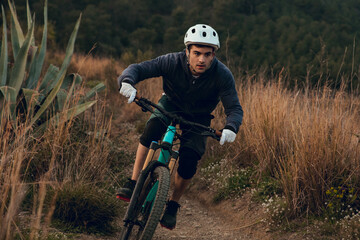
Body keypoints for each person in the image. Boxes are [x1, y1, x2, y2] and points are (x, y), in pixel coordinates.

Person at [117, 24, 243, 230]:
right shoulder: (171, 61)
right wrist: (127, 81)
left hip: (199, 117)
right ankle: (132, 182)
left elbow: (234, 108)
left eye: (207, 54)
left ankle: (173, 205)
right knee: (152, 129)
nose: (201, 59)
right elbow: (139, 69)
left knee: (190, 159)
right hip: (170, 104)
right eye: (197, 53)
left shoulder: (222, 75)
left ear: (214, 55)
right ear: (187, 51)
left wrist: (232, 127)